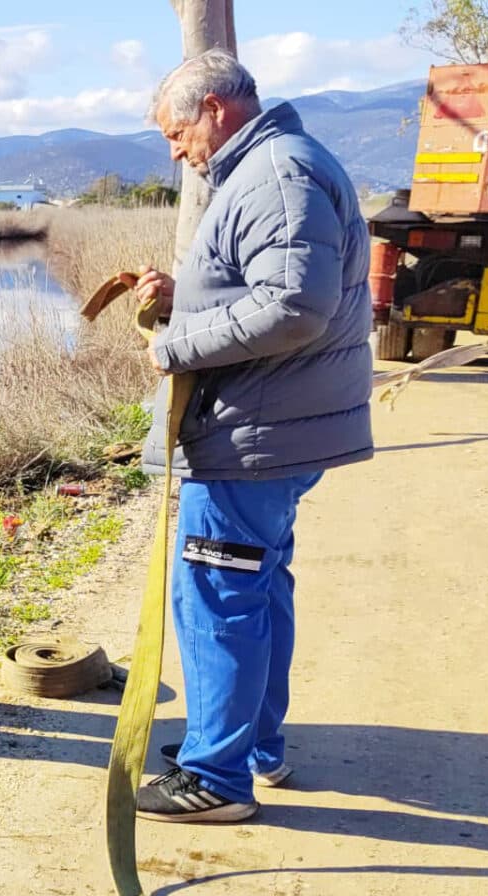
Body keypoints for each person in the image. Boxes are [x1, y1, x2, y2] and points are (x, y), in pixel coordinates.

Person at [132, 50, 373, 823]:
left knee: (219, 596)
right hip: (270, 428)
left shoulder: (273, 175)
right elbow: (266, 287)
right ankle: (246, 743)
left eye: (177, 132)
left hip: (253, 436)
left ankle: (215, 778)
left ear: (215, 110)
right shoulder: (272, 170)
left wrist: (175, 345)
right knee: (257, 586)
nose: (175, 150)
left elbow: (295, 308)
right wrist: (185, 296)